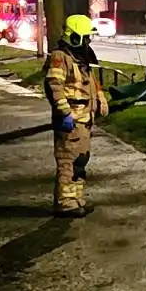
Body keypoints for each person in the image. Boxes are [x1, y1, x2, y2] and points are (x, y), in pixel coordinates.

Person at [43, 15, 108, 218]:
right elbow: (54, 86)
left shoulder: (80, 58)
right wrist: (65, 113)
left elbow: (90, 82)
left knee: (80, 162)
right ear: (75, 37)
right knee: (68, 162)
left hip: (84, 121)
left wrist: (100, 98)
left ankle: (77, 200)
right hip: (71, 121)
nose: (88, 41)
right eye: (86, 37)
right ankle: (65, 203)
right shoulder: (60, 58)